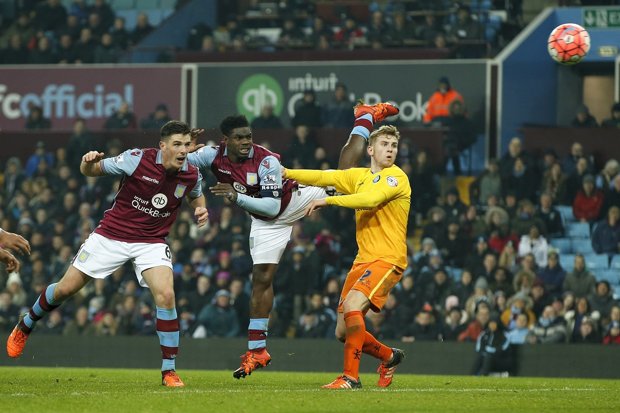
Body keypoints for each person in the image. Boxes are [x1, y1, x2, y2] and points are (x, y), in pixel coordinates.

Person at [187, 104, 398, 380]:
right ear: (226, 140)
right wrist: (185, 149)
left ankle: (366, 117)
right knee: (261, 278)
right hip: (265, 221)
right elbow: (178, 164)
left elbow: (272, 207)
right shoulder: (211, 155)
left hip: (294, 200)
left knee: (345, 173)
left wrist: (235, 198)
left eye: (248, 136)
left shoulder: (266, 161)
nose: (246, 142)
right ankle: (257, 350)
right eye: (239, 138)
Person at [6, 121, 209, 388]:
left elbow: (195, 194)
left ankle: (169, 370)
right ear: (163, 146)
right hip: (111, 235)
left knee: (167, 295)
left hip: (151, 241)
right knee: (66, 289)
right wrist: (88, 161)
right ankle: (26, 323)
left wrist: (200, 208)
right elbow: (89, 171)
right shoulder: (136, 159)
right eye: (177, 144)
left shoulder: (191, 173)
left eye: (186, 145)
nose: (184, 150)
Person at [283, 120, 411, 389]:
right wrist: (286, 172)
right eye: (384, 144)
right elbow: (324, 176)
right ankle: (389, 356)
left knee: (353, 308)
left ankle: (350, 378)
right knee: (342, 331)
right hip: (363, 260)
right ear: (370, 150)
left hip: (387, 259)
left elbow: (370, 200)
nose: (390, 150)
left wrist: (327, 200)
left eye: (394, 145)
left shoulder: (396, 177)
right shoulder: (359, 177)